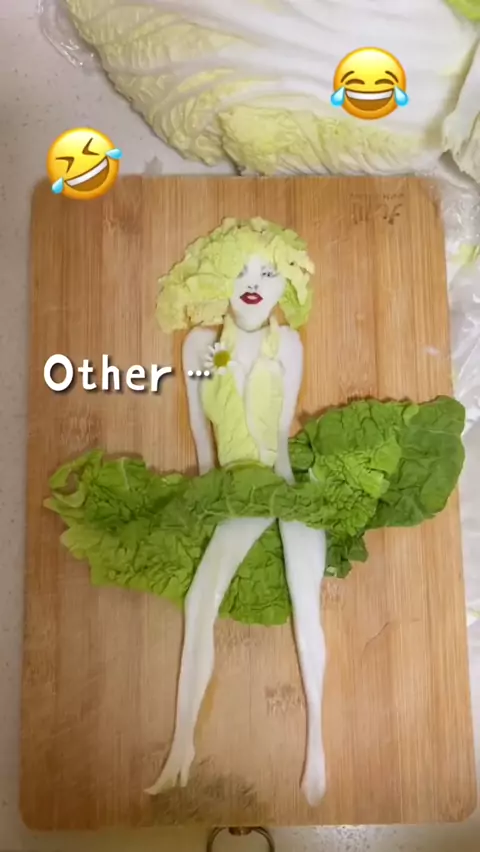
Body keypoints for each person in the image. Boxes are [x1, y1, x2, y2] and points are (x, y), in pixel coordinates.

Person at [145, 219, 327, 804]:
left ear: (286, 285)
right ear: (218, 279)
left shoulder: (290, 345)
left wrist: (290, 495)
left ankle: (317, 748)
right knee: (201, 601)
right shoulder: (199, 346)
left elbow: (282, 428)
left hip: (280, 480)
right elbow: (201, 430)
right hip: (235, 486)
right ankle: (181, 748)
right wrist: (209, 493)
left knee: (307, 600)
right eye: (242, 272)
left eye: (268, 273)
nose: (253, 285)